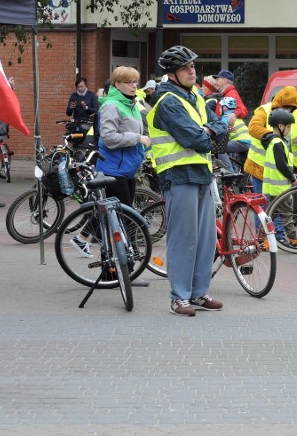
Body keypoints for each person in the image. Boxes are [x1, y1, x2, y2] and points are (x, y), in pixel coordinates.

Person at [147, 45, 228, 317]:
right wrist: (208, 133)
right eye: (185, 68)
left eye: (192, 66)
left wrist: (208, 131)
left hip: (202, 173)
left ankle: (197, 293)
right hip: (178, 174)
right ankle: (179, 297)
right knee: (184, 239)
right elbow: (196, 139)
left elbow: (221, 126)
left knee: (205, 239)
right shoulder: (168, 101)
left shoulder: (194, 95)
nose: (192, 71)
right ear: (172, 74)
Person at [94, 66, 150, 209]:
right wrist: (138, 138)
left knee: (115, 216)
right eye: (128, 82)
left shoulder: (132, 105)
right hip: (113, 171)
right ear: (117, 84)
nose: (134, 85)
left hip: (128, 170)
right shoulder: (111, 106)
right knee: (124, 217)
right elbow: (109, 138)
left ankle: (83, 233)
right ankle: (85, 232)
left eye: (135, 82)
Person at [245, 86, 297, 195]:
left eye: (289, 109)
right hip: (261, 165)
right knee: (263, 203)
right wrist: (272, 137)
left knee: (277, 205)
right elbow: (253, 128)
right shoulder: (265, 110)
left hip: (282, 170)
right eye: (285, 108)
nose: (287, 111)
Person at [249, 107, 297, 202]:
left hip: (274, 188)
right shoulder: (277, 143)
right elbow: (282, 165)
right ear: (280, 126)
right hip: (281, 188)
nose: (290, 130)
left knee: (274, 213)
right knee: (286, 213)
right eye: (288, 127)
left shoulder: (271, 141)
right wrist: (292, 178)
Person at [215, 96, 253, 170]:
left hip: (241, 142)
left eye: (220, 107)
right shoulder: (235, 116)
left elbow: (220, 132)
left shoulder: (226, 117)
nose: (219, 109)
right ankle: (238, 173)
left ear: (225, 108)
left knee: (219, 149)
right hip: (249, 142)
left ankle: (229, 171)